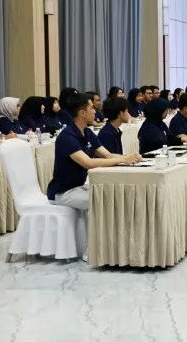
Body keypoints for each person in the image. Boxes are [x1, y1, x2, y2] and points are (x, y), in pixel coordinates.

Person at [47, 93, 140, 253]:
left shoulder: (88, 133)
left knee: (113, 194)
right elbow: (88, 163)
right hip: (63, 192)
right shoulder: (67, 137)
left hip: (79, 187)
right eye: (91, 108)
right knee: (103, 200)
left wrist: (130, 157)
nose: (95, 111)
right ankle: (94, 250)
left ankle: (114, 245)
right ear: (82, 112)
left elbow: (107, 155)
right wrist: (124, 159)